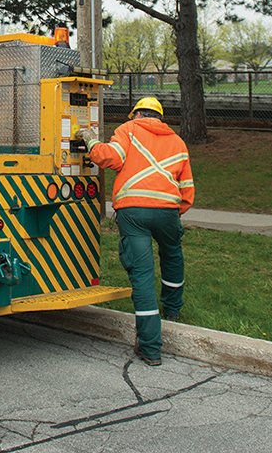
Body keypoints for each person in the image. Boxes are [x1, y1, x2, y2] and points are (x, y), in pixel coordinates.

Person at [79, 97, 194, 367]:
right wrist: (175, 212)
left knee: (142, 276)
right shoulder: (178, 141)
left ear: (137, 114)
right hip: (168, 211)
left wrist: (91, 141)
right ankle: (173, 310)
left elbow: (110, 158)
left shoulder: (128, 130)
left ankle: (151, 349)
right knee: (172, 256)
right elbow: (187, 187)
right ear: (159, 117)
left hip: (133, 213)